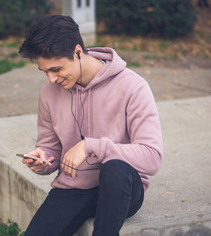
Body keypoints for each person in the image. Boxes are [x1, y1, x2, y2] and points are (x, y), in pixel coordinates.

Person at [18, 15, 163, 236]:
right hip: (74, 188)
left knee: (115, 168)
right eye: (45, 71)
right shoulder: (49, 94)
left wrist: (91, 146)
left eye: (56, 69)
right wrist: (43, 161)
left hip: (121, 188)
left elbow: (152, 157)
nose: (51, 79)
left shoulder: (133, 87)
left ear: (77, 52)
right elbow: (52, 149)